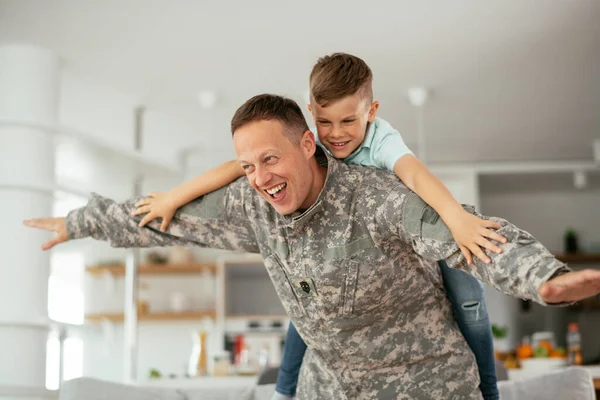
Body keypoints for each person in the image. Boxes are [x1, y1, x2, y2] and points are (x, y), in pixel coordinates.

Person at [24, 94, 600, 400]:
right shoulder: (254, 206)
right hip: (329, 390)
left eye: (270, 159)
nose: (259, 177)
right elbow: (160, 216)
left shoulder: (375, 198)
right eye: (247, 165)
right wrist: (79, 222)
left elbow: (468, 233)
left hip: (426, 386)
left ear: (307, 144)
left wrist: (542, 279)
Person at [132, 53, 502, 399]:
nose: (337, 133)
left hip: (414, 237)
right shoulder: (309, 147)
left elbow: (418, 178)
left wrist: (457, 220)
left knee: (469, 303)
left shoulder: (382, 140)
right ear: (312, 117)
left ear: (371, 112)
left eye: (348, 121)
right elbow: (235, 166)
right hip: (347, 257)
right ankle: (284, 389)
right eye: (325, 122)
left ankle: (489, 389)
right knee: (310, 313)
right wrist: (172, 197)